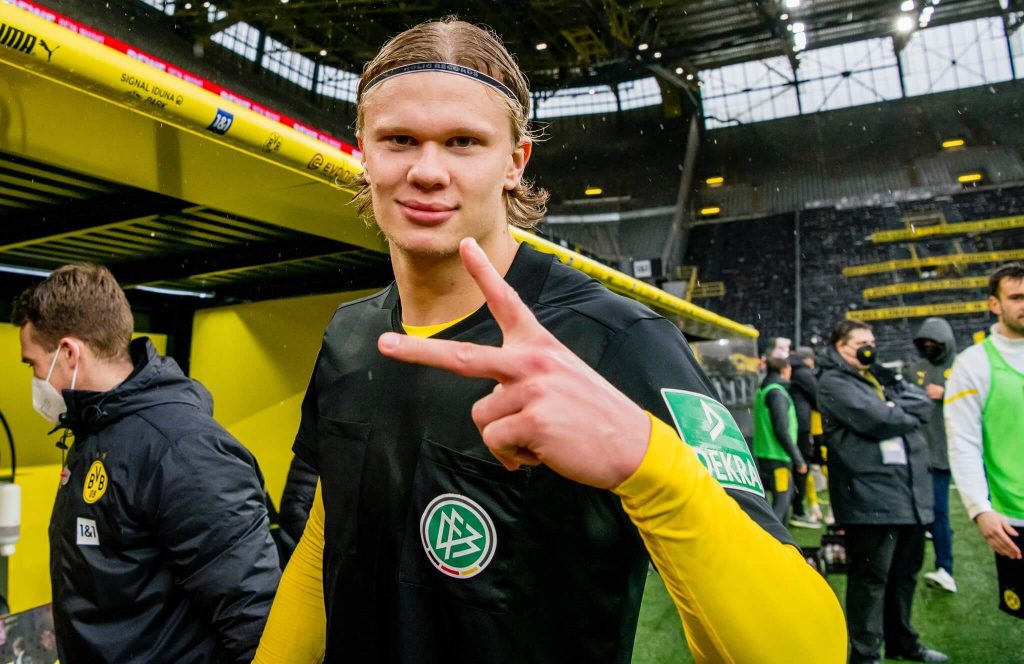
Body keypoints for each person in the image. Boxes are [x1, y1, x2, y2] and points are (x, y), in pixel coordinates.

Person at [254, 18, 846, 664]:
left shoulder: (619, 343)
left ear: (515, 162)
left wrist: (651, 467)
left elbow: (810, 652)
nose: (427, 170)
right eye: (399, 139)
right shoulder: (351, 334)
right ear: (364, 152)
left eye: (463, 142)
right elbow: (324, 544)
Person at [11, 264, 280, 663]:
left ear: (68, 352)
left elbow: (254, 616)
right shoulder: (95, 430)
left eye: (32, 364)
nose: (35, 378)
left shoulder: (181, 448)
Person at [818, 319, 949, 664]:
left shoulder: (878, 376)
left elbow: (921, 403)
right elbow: (877, 420)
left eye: (872, 342)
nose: (869, 348)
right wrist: (896, 411)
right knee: (870, 580)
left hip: (907, 494)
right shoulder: (833, 382)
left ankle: (901, 642)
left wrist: (896, 408)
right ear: (840, 347)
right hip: (869, 497)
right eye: (861, 342)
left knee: (904, 575)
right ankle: (865, 655)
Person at [945, 263, 1024, 620]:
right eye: (1016, 297)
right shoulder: (973, 364)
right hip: (1015, 517)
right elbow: (963, 442)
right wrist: (979, 508)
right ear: (995, 304)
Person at [910, 317, 958, 593]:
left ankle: (945, 569)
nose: (929, 346)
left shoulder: (959, 369)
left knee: (939, 511)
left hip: (942, 453)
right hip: (915, 454)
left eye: (934, 342)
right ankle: (911, 568)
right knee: (917, 514)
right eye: (925, 342)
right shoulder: (915, 369)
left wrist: (947, 393)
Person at [753, 357, 806, 521]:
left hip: (764, 453)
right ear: (784, 370)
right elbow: (781, 430)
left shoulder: (763, 390)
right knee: (782, 500)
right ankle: (774, 534)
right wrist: (798, 459)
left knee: (779, 498)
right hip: (778, 457)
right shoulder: (777, 393)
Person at [789, 346, 822, 528]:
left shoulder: (789, 369)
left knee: (796, 466)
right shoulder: (803, 372)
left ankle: (801, 507)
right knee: (802, 466)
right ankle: (799, 511)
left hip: (790, 423)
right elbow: (818, 397)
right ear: (808, 359)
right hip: (802, 426)